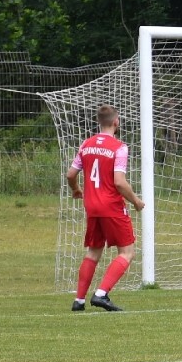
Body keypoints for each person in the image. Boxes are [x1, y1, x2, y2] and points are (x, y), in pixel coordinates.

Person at [66, 104, 146, 312]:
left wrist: (76, 190)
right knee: (127, 252)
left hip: (91, 206)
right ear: (116, 122)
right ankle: (101, 294)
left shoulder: (86, 144)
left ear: (99, 122)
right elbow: (119, 182)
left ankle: (79, 300)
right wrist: (136, 201)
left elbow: (70, 175)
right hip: (111, 205)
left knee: (93, 252)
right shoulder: (119, 147)